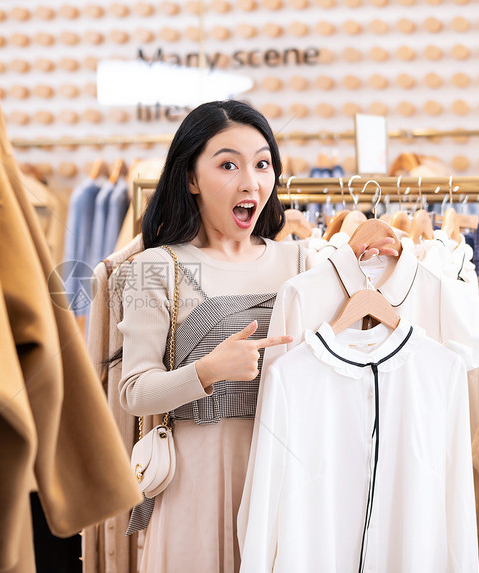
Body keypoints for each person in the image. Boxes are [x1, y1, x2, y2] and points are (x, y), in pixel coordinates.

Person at [118, 100, 304, 572]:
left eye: (263, 164)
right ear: (191, 179)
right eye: (228, 165)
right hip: (193, 487)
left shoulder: (305, 263)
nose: (251, 182)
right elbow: (134, 392)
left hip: (284, 478)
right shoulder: (154, 268)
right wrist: (207, 371)